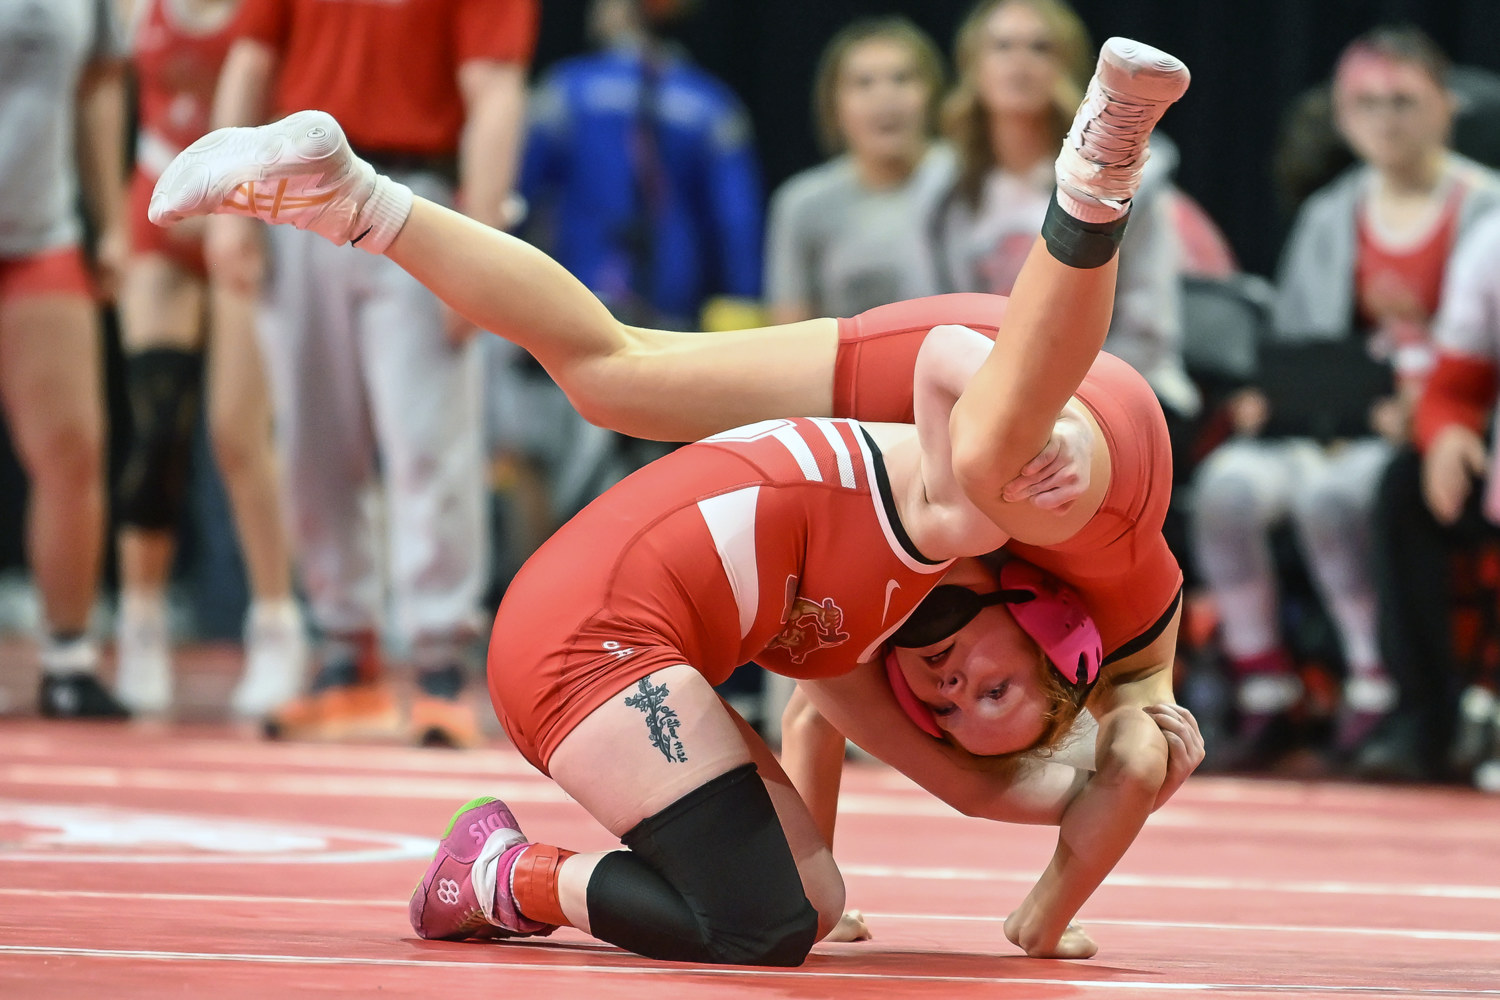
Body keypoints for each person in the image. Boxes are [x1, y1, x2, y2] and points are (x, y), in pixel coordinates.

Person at [150, 37, 1197, 963]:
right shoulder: (1068, 573)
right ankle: (1103, 162)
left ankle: (353, 200)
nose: (953, 689)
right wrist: (1059, 897)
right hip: (1032, 402)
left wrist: (929, 880)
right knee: (1001, 475)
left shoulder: (858, 643)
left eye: (950, 711)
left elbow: (939, 771)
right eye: (994, 692)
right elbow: (1130, 745)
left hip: (926, 401)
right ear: (1050, 631)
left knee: (612, 375)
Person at [206, 0, 537, 745]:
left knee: (429, 440)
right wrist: (230, 206)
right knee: (311, 442)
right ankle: (344, 654)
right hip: (297, 198)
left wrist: (480, 244)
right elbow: (252, 65)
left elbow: (495, 89)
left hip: (414, 197)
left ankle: (438, 659)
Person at [1190, 26, 1500, 765]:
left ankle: (1373, 679)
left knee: (1342, 499)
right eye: (1367, 104)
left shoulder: (1486, 214)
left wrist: (1431, 414)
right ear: (1342, 115)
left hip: (1420, 429)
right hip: (1336, 422)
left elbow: (1468, 361)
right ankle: (1263, 679)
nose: (1387, 119)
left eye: (1403, 100)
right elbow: (1300, 346)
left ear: (1443, 106)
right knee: (1227, 489)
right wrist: (1278, 399)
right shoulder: (1331, 213)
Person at [112, 0, 305, 719]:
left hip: (243, 219)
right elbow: (104, 87)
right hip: (157, 219)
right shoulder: (141, 8)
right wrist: (108, 221)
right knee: (156, 423)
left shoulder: (265, 10)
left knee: (237, 435)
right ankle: (140, 624)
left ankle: (278, 624)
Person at [0, 0, 130, 717]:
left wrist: (108, 221)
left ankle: (68, 660)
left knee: (72, 445)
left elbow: (100, 82)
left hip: (38, 228)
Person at [1368, 207, 1500, 785]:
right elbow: (1454, 383)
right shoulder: (1492, 242)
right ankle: (1425, 719)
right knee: (1406, 487)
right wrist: (1446, 431)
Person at [763, 16, 951, 324]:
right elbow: (790, 332)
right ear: (834, 105)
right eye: (863, 83)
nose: (884, 97)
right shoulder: (802, 204)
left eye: (902, 78)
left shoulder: (971, 179)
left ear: (933, 94)